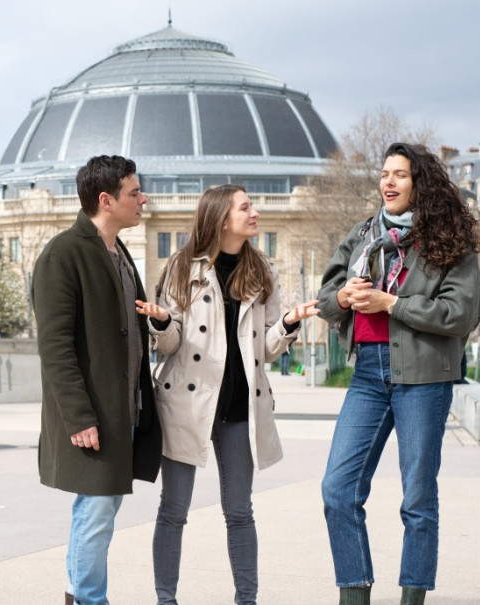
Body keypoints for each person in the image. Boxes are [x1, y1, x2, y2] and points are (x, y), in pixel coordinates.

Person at [316, 143, 480, 605]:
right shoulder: (364, 234)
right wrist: (346, 298)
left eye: (400, 175)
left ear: (421, 184)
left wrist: (392, 303)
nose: (387, 182)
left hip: (425, 376)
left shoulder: (450, 241)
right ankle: (355, 594)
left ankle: (412, 598)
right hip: (369, 375)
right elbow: (326, 297)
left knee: (417, 499)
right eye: (384, 174)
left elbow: (460, 312)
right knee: (337, 489)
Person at [135, 185, 319, 605]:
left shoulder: (261, 270)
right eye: (245, 207)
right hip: (186, 405)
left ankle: (246, 600)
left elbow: (268, 350)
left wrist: (289, 322)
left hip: (240, 410)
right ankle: (166, 600)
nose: (254, 212)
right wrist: (163, 322)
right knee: (173, 510)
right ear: (221, 219)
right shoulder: (183, 267)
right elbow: (170, 344)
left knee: (239, 512)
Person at [31, 154, 162, 605]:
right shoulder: (64, 254)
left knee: (97, 510)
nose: (143, 199)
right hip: (95, 415)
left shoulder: (119, 252)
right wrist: (79, 417)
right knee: (97, 510)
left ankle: (78, 595)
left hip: (123, 409)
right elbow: (55, 346)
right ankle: (89, 600)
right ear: (107, 201)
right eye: (134, 192)